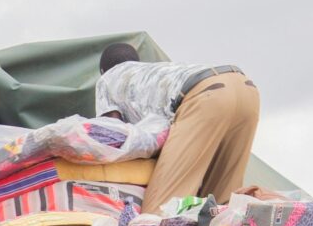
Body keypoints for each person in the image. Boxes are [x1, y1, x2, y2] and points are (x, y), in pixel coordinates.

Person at [94, 40, 266, 206]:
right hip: (246, 88)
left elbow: (112, 135)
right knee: (221, 204)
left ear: (103, 70)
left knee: (164, 208)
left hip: (203, 95)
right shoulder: (152, 72)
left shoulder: (107, 79)